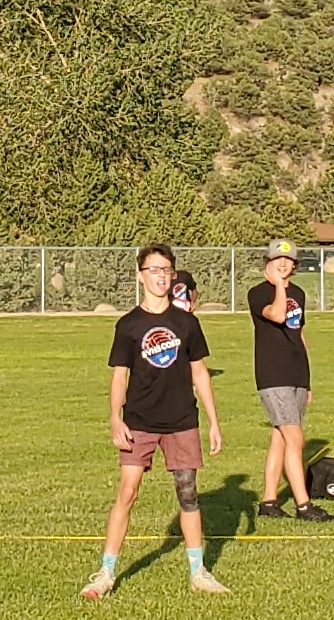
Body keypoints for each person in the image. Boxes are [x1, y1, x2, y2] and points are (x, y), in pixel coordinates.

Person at [82, 243, 229, 599]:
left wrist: (213, 421)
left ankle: (198, 572)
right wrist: (115, 419)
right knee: (127, 493)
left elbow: (200, 373)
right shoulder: (129, 325)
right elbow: (119, 377)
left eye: (166, 270)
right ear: (140, 276)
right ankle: (106, 572)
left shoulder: (187, 323)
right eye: (154, 270)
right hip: (140, 422)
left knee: (188, 494)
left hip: (181, 421)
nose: (161, 276)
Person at [251, 238, 334, 522]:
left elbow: (299, 334)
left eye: (288, 260)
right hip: (273, 375)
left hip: (295, 374)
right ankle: (304, 505)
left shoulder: (298, 293)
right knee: (296, 438)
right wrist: (278, 287)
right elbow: (276, 315)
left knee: (281, 438)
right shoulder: (259, 293)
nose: (283, 264)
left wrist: (307, 380)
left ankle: (269, 501)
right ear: (268, 262)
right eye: (277, 260)